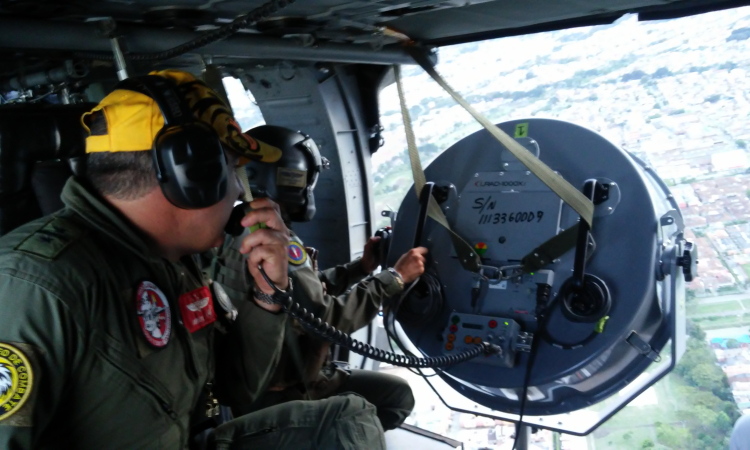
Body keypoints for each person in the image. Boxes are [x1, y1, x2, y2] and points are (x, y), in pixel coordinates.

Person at [0, 70, 385, 449]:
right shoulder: (36, 286)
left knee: (349, 421)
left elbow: (236, 389)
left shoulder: (171, 262)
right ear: (193, 175)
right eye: (234, 170)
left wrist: (269, 298)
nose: (238, 189)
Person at [212, 124, 425, 431]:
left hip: (257, 383)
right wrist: (395, 277)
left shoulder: (239, 225)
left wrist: (360, 269)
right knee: (398, 397)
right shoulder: (271, 237)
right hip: (284, 389)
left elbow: (299, 293)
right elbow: (327, 320)